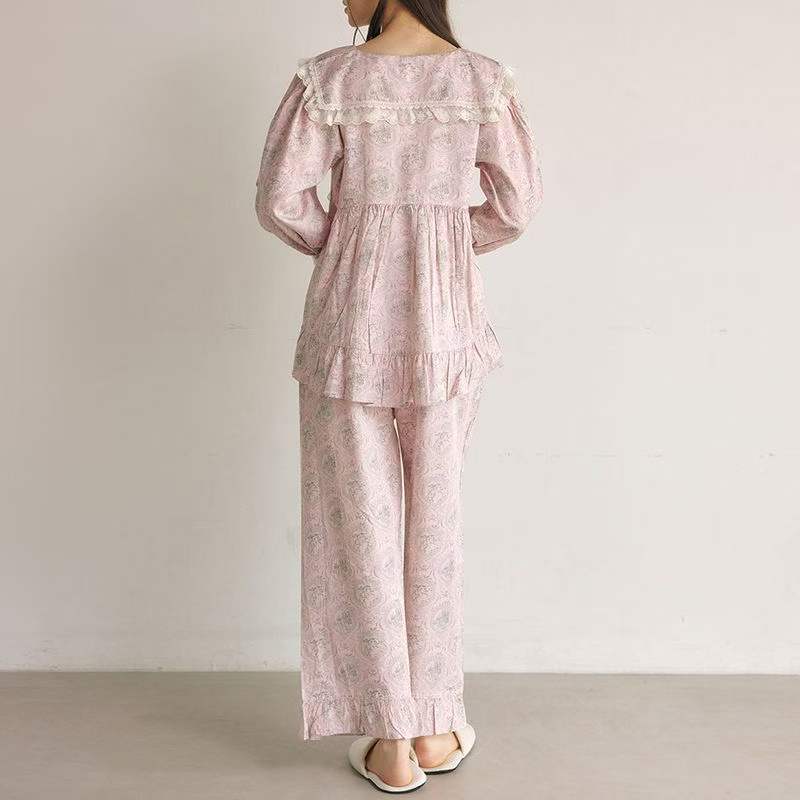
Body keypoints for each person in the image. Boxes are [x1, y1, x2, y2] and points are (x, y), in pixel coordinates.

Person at [255, 0, 543, 791]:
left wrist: (351, 243)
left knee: (360, 522)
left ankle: (390, 737)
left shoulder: (328, 80)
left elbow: (280, 198)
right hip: (447, 323)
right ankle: (436, 726)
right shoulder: (483, 81)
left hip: (349, 322)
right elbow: (516, 206)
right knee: (435, 520)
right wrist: (443, 239)